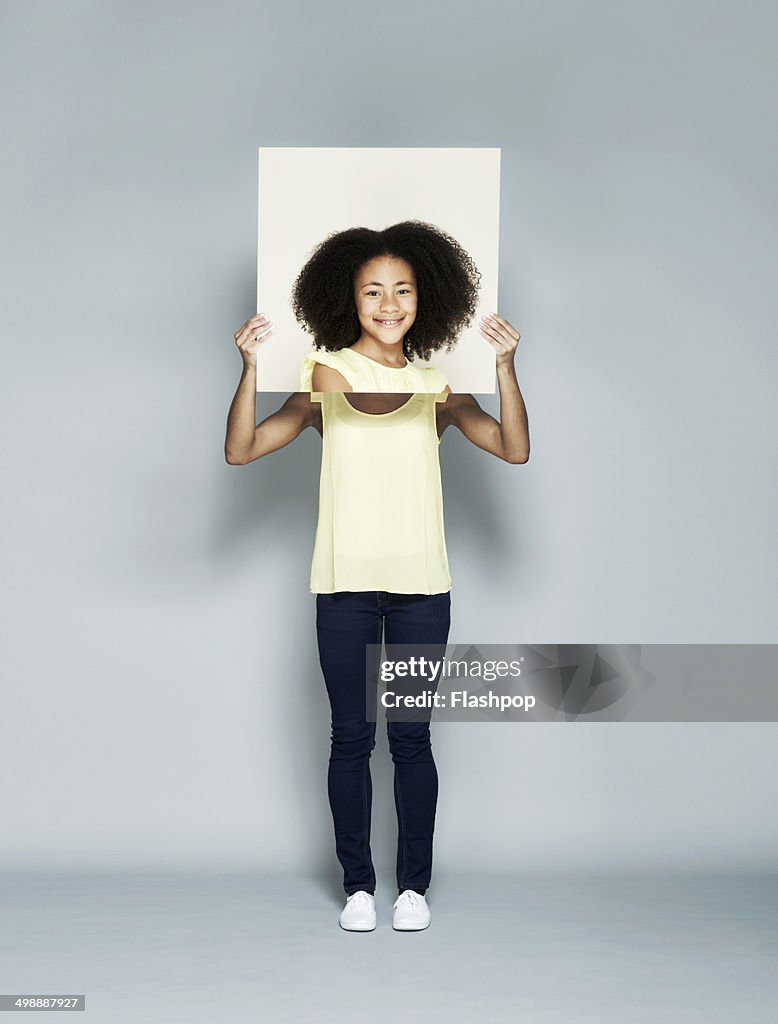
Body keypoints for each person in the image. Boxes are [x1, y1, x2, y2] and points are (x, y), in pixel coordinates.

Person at [225, 221, 530, 932]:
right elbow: (242, 450)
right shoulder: (324, 376)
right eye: (372, 291)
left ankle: (413, 889)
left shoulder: (439, 387)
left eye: (402, 290)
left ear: (426, 299)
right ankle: (359, 887)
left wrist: (506, 370)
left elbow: (513, 449)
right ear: (348, 299)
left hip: (423, 584)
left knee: (413, 739)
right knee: (350, 738)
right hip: (344, 584)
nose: (388, 303)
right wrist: (248, 370)